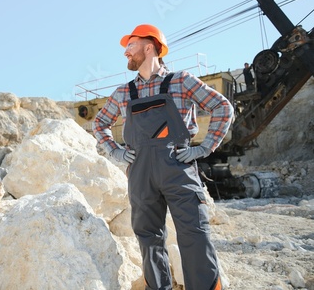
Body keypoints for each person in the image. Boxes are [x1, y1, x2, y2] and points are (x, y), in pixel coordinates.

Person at [92, 24, 234, 290]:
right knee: (149, 239)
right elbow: (99, 124)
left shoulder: (181, 81)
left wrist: (203, 148)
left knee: (195, 234)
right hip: (140, 173)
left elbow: (222, 107)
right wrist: (116, 151)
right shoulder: (124, 92)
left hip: (177, 168)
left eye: (130, 45)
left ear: (149, 46)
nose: (126, 52)